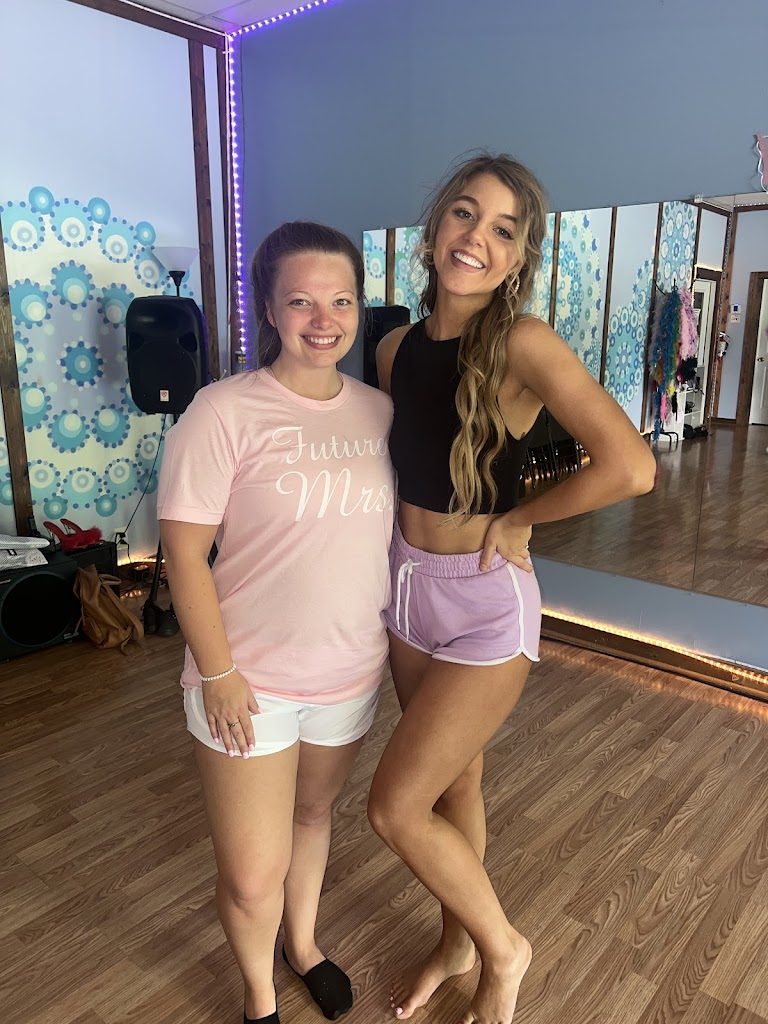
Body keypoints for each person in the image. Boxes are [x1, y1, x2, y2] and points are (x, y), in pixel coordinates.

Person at [367, 154, 657, 1024]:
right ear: (434, 229)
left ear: (520, 255)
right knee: (453, 786)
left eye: (503, 229)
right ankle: (456, 943)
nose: (476, 239)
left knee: (394, 808)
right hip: (407, 589)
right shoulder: (391, 350)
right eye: (464, 214)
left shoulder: (524, 343)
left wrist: (523, 517)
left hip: (485, 599)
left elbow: (631, 467)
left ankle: (502, 948)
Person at [157, 222, 395, 1024]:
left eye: (341, 301)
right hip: (247, 683)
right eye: (300, 301)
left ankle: (303, 944)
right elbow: (183, 554)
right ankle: (260, 998)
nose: (323, 320)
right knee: (252, 875)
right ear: (268, 308)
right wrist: (218, 673)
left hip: (348, 672)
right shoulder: (223, 411)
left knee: (312, 815)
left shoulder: (379, 413)